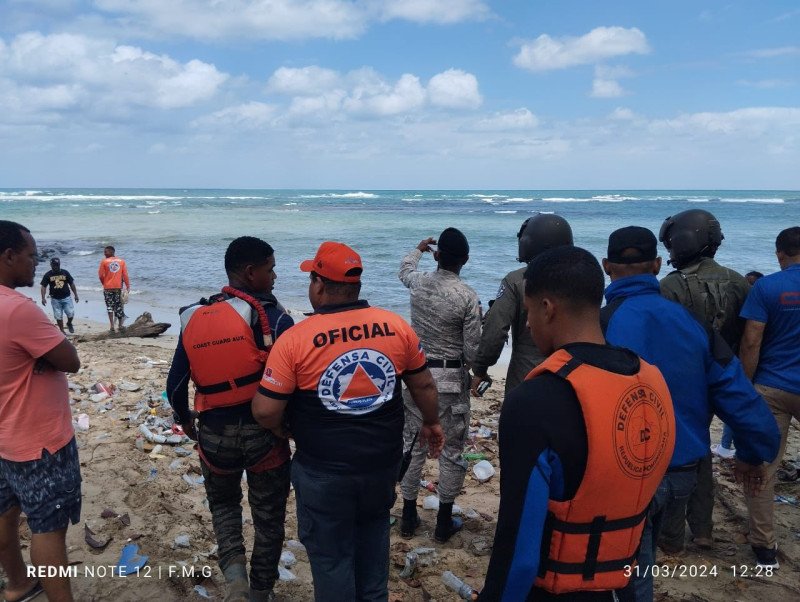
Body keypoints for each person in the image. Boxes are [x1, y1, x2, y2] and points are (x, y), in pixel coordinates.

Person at [251, 241, 445, 602]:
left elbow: (265, 410)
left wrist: (280, 427)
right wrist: (432, 422)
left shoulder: (295, 340)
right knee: (373, 547)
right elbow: (423, 384)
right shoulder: (395, 326)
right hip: (381, 467)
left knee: (332, 560)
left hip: (323, 472)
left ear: (319, 285)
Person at [479, 246, 675, 602]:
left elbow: (518, 547)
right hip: (623, 585)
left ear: (547, 308)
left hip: (557, 590)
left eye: (529, 311)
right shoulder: (651, 379)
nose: (527, 324)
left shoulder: (535, 401)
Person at [600, 226, 780, 600]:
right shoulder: (693, 325)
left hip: (624, 472)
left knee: (627, 565)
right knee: (644, 553)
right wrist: (753, 452)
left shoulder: (598, 326)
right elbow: (738, 395)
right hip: (681, 471)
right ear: (656, 265)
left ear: (606, 266)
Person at [166, 236, 294, 602]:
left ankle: (236, 582)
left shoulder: (195, 317)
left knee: (224, 507)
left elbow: (175, 384)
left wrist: (185, 420)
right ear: (251, 273)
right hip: (264, 435)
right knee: (268, 518)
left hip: (214, 434)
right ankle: (260, 591)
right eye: (271, 269)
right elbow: (297, 377)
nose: (275, 277)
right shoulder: (273, 316)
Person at [657, 209, 751, 550]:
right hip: (725, 379)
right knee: (700, 450)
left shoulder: (669, 286)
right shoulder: (738, 282)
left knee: (679, 453)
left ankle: (672, 532)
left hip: (682, 383)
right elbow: (750, 338)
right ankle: (702, 529)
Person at [0, 220, 82, 602]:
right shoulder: (18, 310)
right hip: (39, 442)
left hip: (4, 436)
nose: (36, 263)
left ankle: (18, 583)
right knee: (48, 528)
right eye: (31, 256)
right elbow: (70, 360)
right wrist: (41, 358)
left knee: (5, 513)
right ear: (9, 256)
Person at [397, 228, 481, 543]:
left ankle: (408, 514)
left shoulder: (418, 283)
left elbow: (404, 270)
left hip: (415, 378)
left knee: (412, 444)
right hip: (450, 383)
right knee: (452, 450)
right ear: (466, 260)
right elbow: (472, 351)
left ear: (437, 255)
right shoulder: (467, 296)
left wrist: (418, 248)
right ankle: (444, 520)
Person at [739, 226, 800, 569]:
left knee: (764, 467)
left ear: (780, 254)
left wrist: (745, 389)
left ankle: (764, 547)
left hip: (771, 387)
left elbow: (751, 340)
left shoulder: (766, 287)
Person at [470, 214, 573, 397]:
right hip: (573, 374)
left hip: (526, 375)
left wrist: (480, 368)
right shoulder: (582, 278)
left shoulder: (516, 280)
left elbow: (496, 329)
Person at [711, 271, 765, 460]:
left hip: (743, 364)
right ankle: (732, 447)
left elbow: (747, 342)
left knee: (738, 406)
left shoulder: (742, 308)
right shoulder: (760, 308)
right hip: (763, 368)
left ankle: (727, 446)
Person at [40, 257, 79, 334]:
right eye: (54, 265)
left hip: (66, 297)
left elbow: (71, 284)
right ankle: (62, 330)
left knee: (70, 313)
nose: (56, 266)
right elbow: (43, 286)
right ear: (51, 265)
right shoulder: (48, 275)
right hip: (55, 299)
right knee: (58, 315)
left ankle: (69, 323)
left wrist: (76, 295)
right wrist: (43, 298)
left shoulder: (65, 272)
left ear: (59, 264)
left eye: (57, 265)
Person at [98, 245, 130, 332]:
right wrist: (128, 286)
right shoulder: (122, 261)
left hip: (108, 288)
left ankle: (112, 326)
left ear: (112, 252)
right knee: (118, 306)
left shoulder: (104, 261)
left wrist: (104, 283)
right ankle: (120, 325)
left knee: (109, 307)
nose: (104, 253)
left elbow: (100, 275)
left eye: (106, 251)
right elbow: (125, 275)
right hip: (117, 288)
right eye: (104, 252)